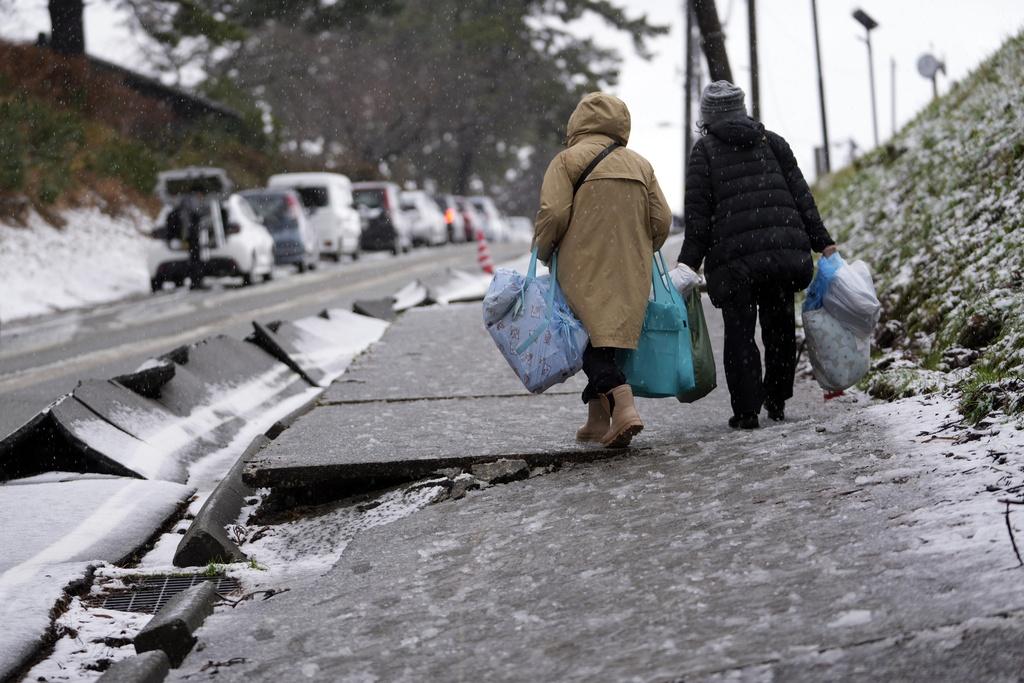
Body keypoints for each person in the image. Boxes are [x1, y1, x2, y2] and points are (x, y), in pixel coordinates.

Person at [670, 81, 837, 430]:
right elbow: (802, 196)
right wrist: (823, 241)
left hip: (734, 261)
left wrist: (688, 262)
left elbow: (698, 217)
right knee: (779, 328)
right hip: (780, 250)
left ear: (707, 116)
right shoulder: (772, 142)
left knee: (740, 333)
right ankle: (776, 399)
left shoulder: (704, 152)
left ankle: (746, 410)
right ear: (742, 109)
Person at [534, 92, 672, 447]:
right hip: (629, 269)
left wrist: (544, 250)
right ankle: (597, 419)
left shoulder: (566, 162)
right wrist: (640, 248)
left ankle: (623, 405)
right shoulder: (640, 165)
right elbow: (662, 220)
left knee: (585, 340)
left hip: (581, 266)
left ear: (578, 124)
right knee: (606, 339)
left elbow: (554, 214)